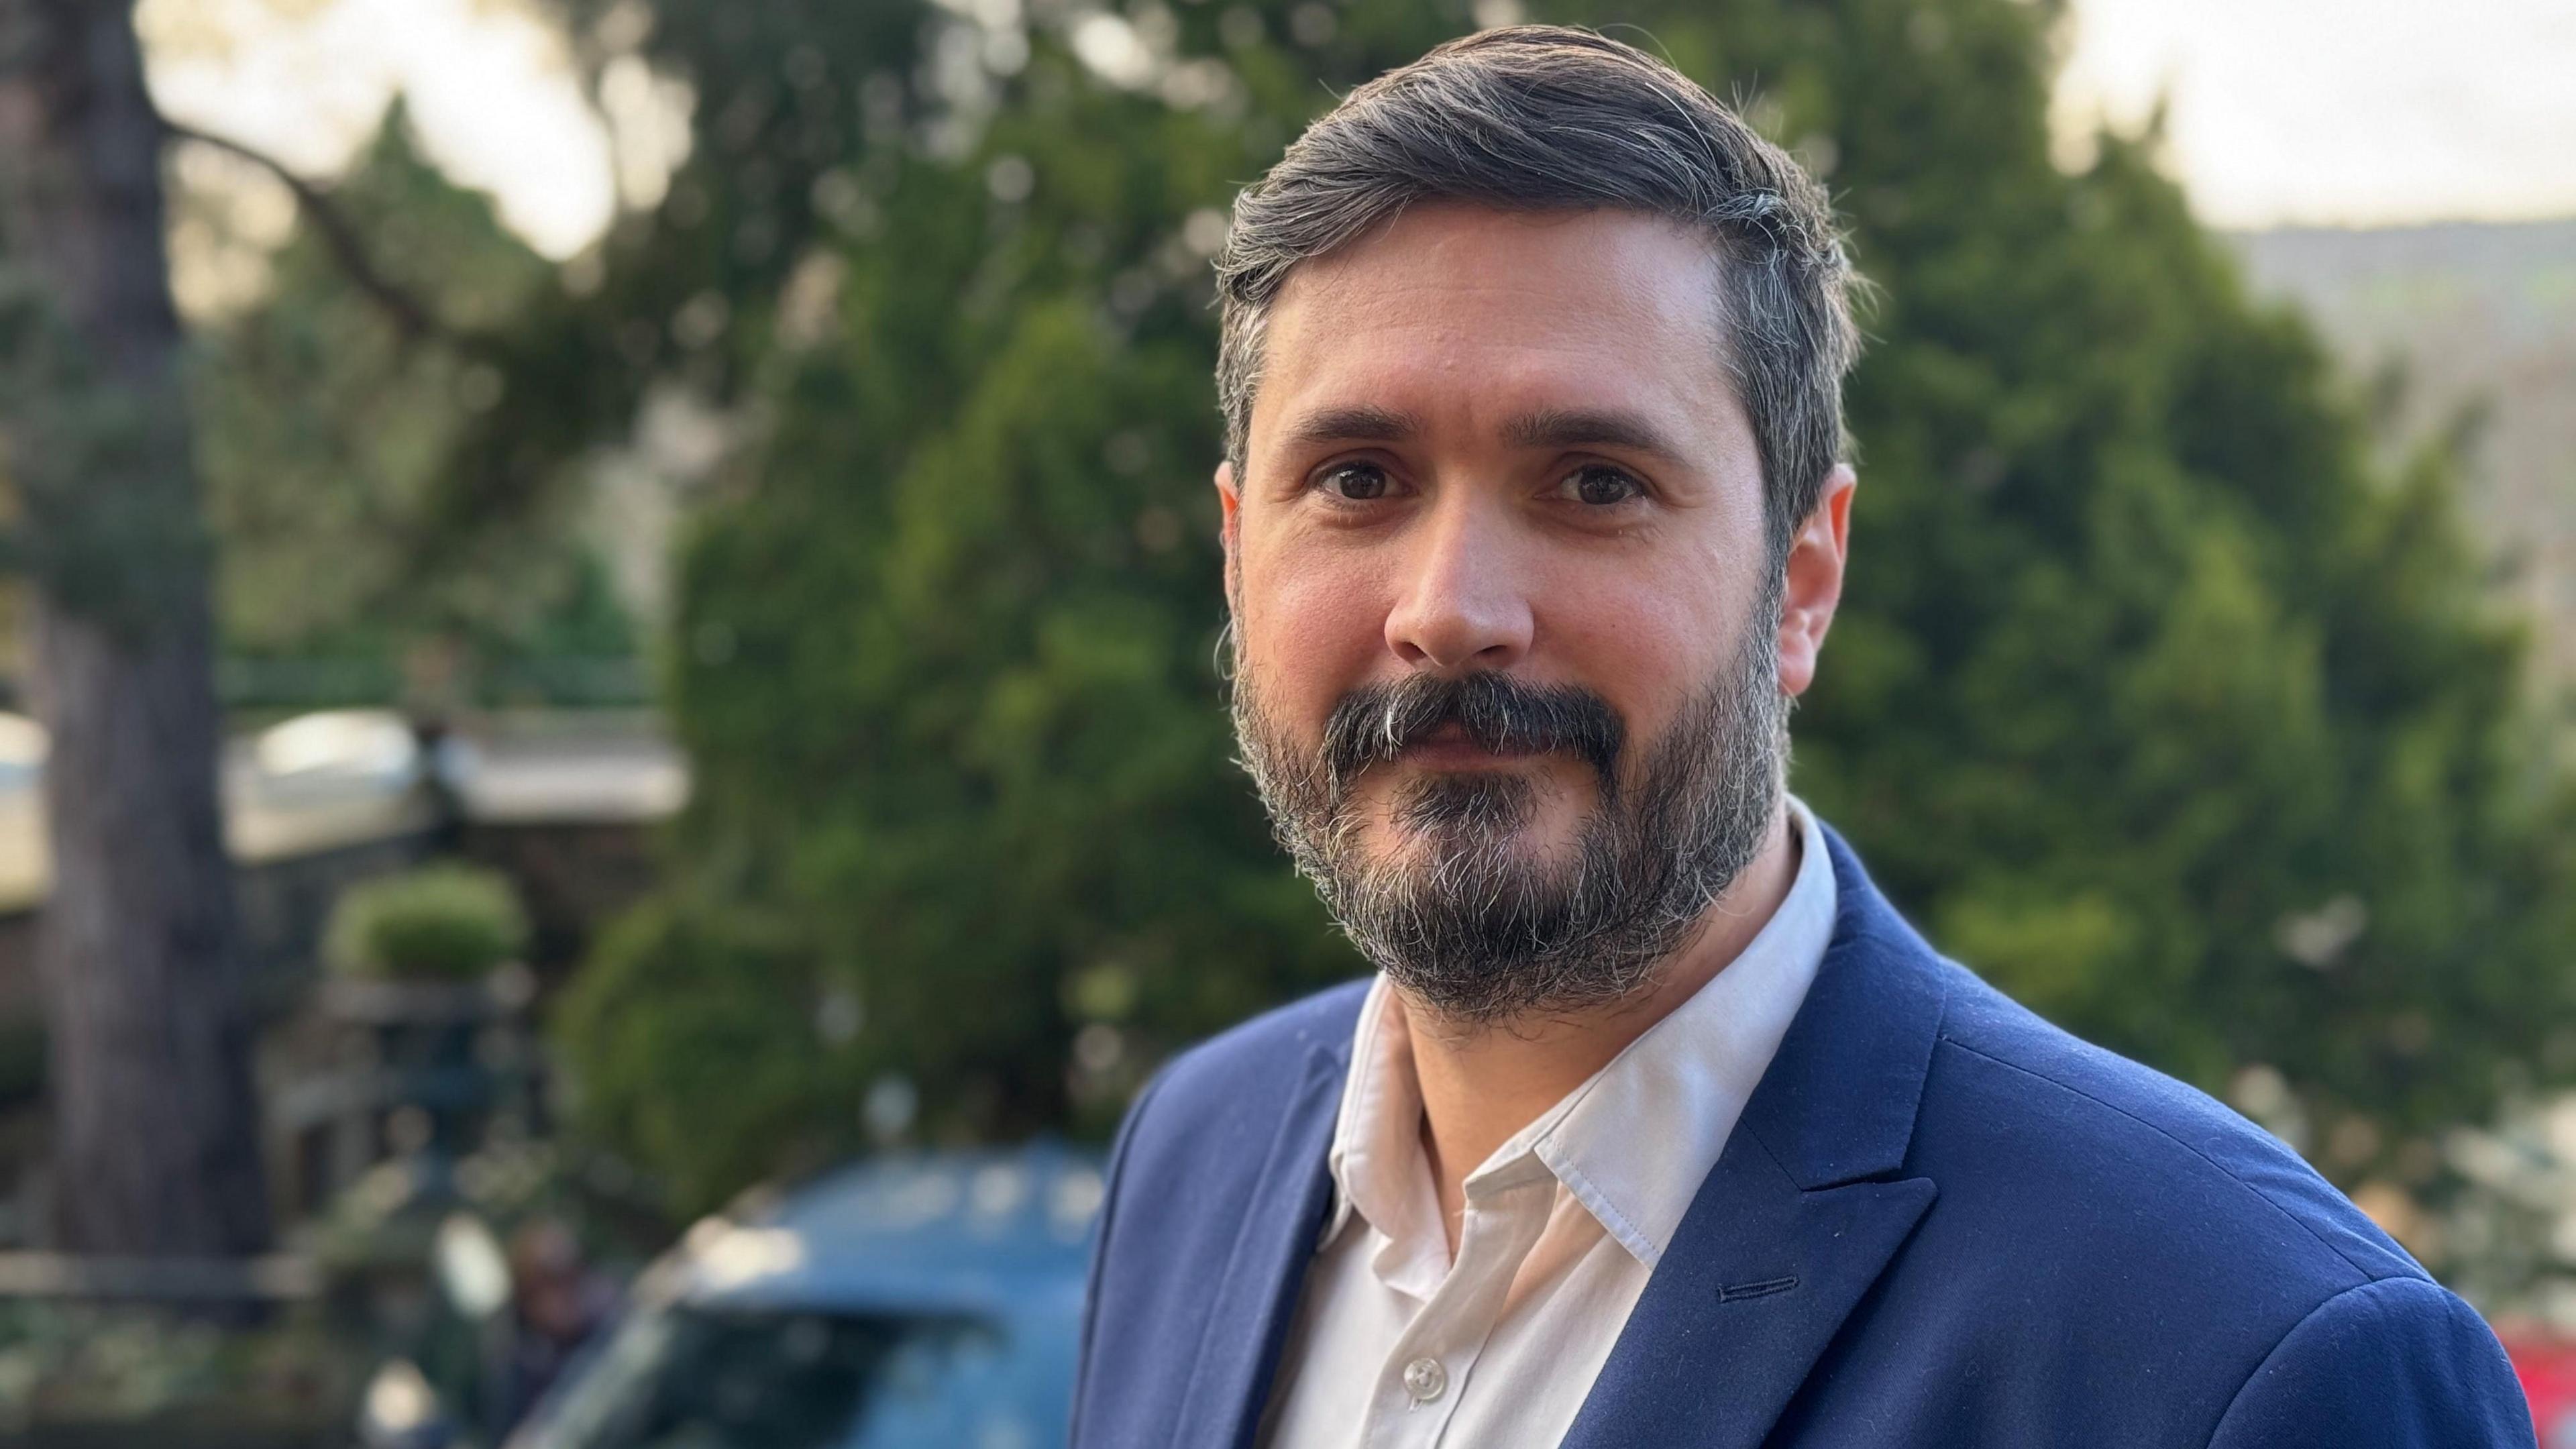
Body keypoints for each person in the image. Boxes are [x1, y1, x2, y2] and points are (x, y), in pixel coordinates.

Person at [1069, 24, 2534, 1449]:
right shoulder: (1197, 1160)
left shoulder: (2253, 1357)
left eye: (1592, 483)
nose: (1451, 612)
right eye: (1360, 477)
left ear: (1805, 580)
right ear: (1236, 550)